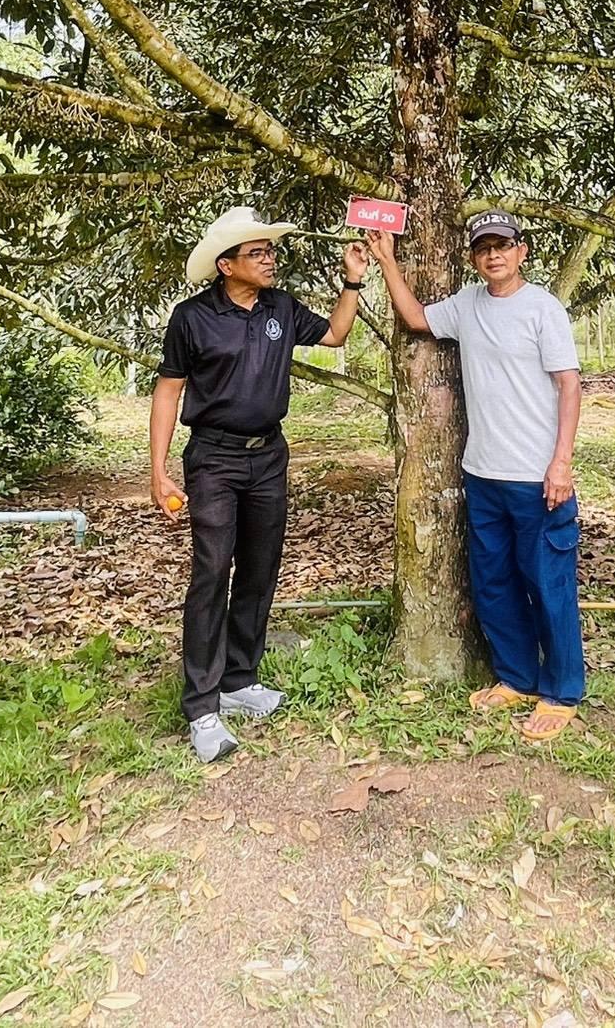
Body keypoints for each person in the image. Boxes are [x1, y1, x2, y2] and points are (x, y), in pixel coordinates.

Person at [151, 206, 368, 762]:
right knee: (211, 573)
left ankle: (239, 678)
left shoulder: (280, 307)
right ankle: (202, 706)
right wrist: (157, 469)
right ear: (227, 265)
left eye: (271, 251)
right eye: (258, 252)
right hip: (214, 460)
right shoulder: (192, 318)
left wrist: (352, 279)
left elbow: (337, 335)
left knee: (259, 567)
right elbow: (169, 391)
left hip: (269, 456)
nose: (270, 259)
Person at [367, 210, 584, 744]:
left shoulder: (543, 309)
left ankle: (561, 692)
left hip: (537, 475)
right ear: (473, 257)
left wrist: (561, 462)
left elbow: (570, 386)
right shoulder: (467, 305)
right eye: (484, 248)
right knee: (493, 582)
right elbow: (417, 319)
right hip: (482, 473)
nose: (494, 255)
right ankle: (516, 676)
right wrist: (387, 261)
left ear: (522, 251)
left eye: (503, 246)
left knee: (547, 581)